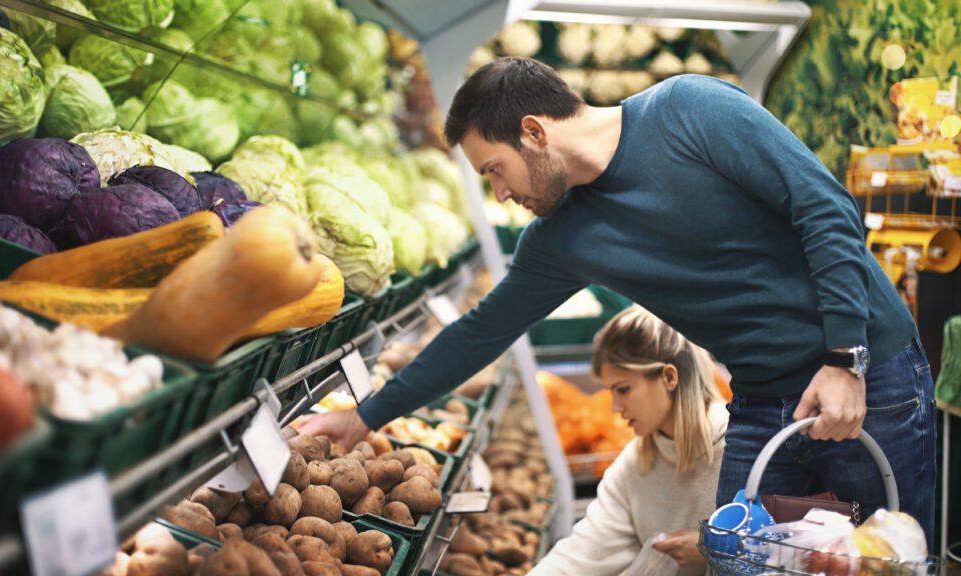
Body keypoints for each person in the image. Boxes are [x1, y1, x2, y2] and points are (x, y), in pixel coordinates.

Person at [297, 57, 936, 544]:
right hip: (765, 397)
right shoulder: (560, 239)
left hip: (867, 372)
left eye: (494, 169)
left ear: (532, 132)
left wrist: (845, 357)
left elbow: (824, 207)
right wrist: (366, 415)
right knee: (743, 554)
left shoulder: (690, 109)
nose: (500, 194)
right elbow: (481, 331)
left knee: (885, 552)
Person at [531, 306, 726, 576]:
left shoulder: (736, 451)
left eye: (624, 389)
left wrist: (718, 551)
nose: (614, 407)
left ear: (669, 377)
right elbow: (584, 553)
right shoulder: (635, 464)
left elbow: (787, 544)